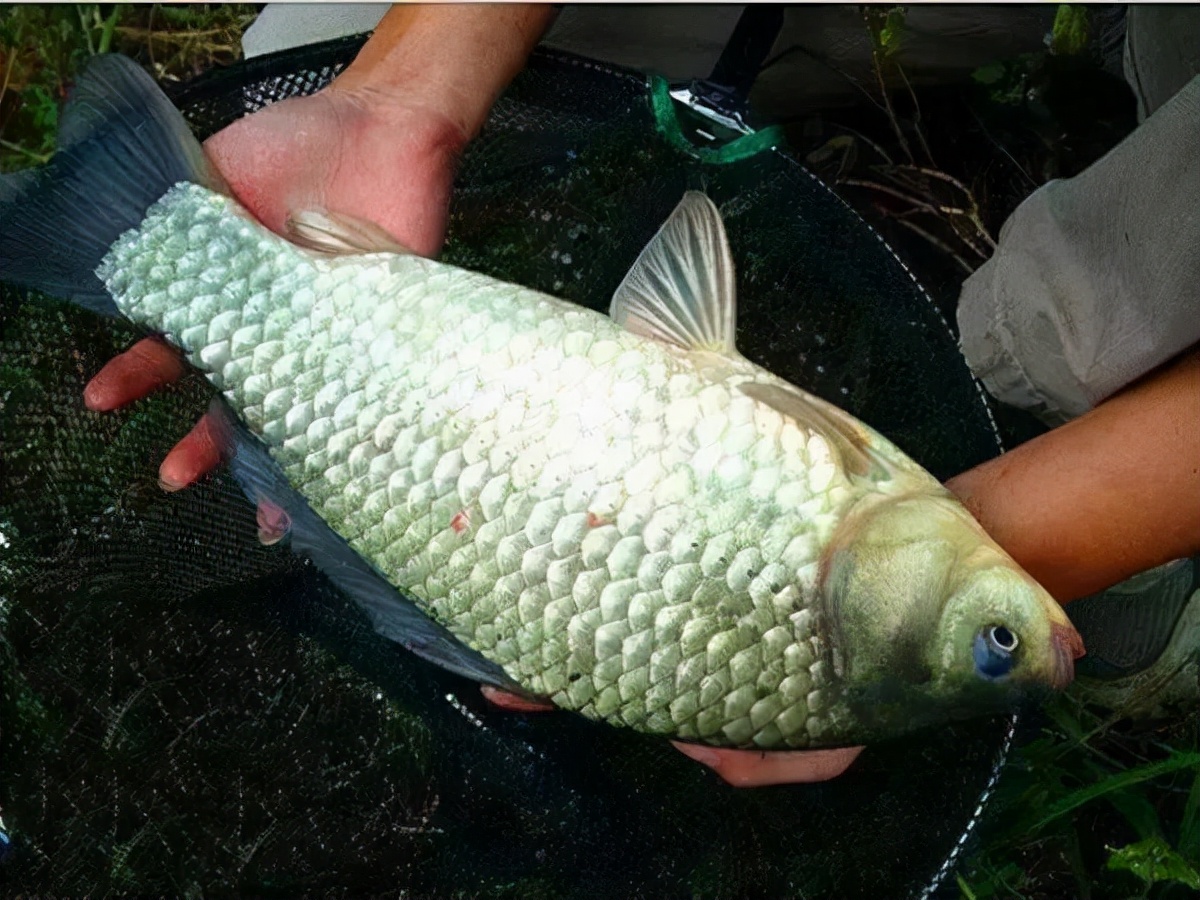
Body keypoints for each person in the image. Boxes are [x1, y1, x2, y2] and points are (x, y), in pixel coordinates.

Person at [81, 5, 1200, 787]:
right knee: (307, 50)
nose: (1032, 636)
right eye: (1002, 640)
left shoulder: (849, 566)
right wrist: (404, 91)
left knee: (1106, 316)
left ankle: (1088, 390)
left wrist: (1051, 536)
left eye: (1001, 640)